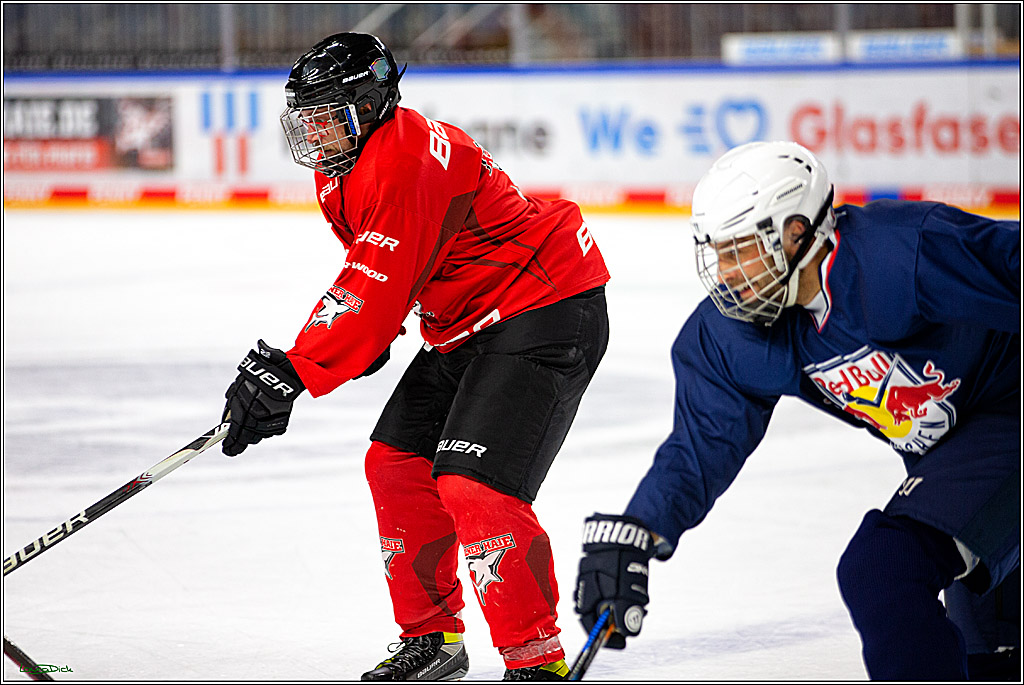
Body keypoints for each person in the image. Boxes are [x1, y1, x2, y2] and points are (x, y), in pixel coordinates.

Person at [219, 33, 611, 681]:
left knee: (473, 483)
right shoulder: (341, 166)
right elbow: (386, 266)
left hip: (542, 306)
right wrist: (368, 335)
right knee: (396, 464)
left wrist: (294, 367)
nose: (315, 132)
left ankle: (536, 659)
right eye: (306, 116)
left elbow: (374, 279)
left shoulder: (403, 159)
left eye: (328, 114)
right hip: (463, 321)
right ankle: (434, 637)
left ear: (372, 103)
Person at [573, 141, 1019, 680]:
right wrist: (639, 531)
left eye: (741, 251)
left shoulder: (902, 252)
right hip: (953, 462)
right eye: (718, 253)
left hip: (1005, 414)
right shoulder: (729, 336)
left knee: (885, 569)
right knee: (985, 649)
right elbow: (701, 446)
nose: (727, 273)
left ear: (796, 232)